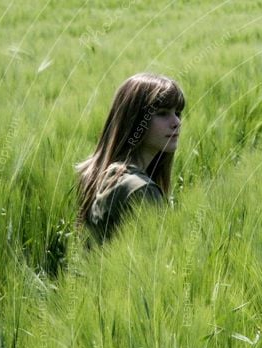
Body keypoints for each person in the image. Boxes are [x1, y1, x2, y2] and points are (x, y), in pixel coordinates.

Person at [75, 73, 185, 244]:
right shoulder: (140, 189)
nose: (177, 121)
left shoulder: (102, 174)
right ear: (134, 120)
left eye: (177, 112)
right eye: (162, 113)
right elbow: (153, 261)